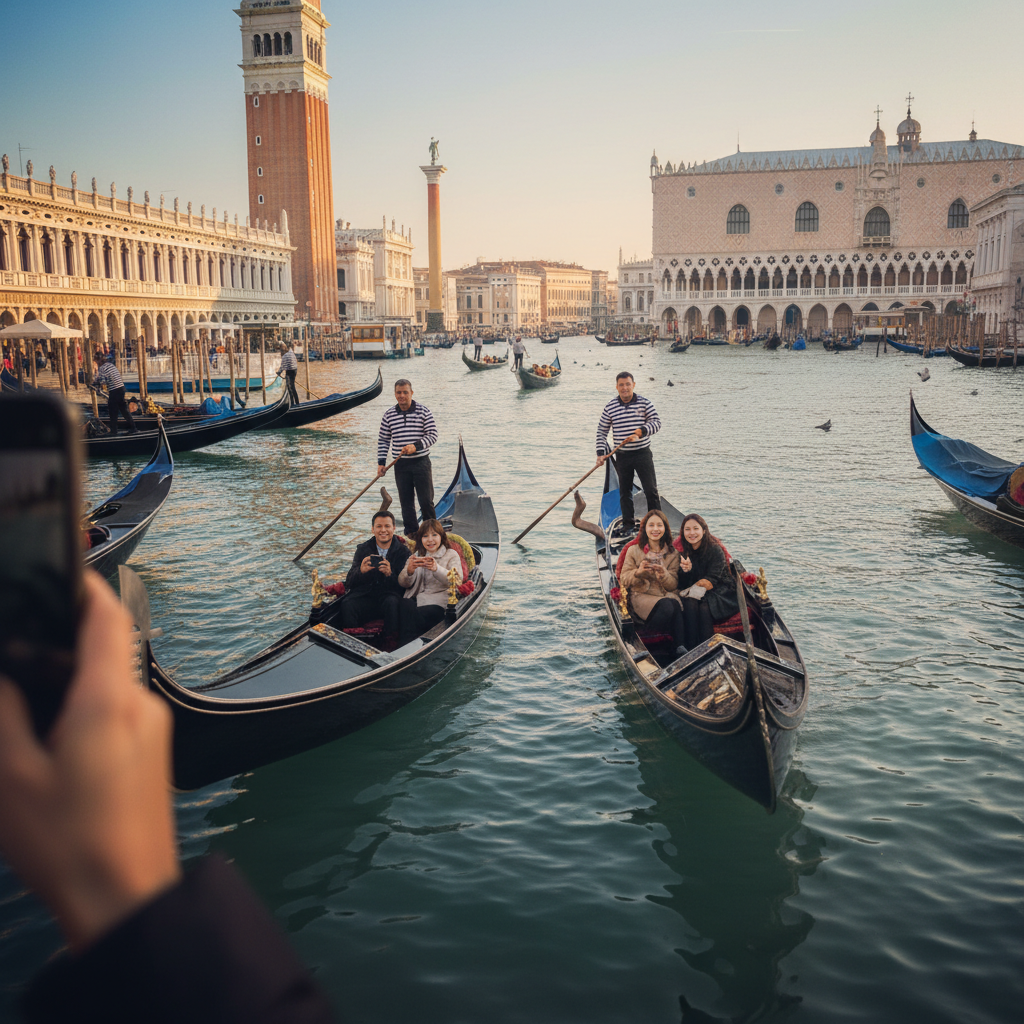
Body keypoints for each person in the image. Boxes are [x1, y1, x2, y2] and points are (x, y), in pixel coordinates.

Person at [0, 572, 334, 1022]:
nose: (386, 534)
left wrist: (114, 901)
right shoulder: (367, 556)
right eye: (380, 528)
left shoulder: (433, 561)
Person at [595, 371, 661, 536]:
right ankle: (628, 525)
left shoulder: (645, 403)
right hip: (623, 456)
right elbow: (601, 432)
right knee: (624, 492)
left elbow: (657, 423)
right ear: (617, 387)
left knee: (651, 490)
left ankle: (657, 524)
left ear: (633, 385)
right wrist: (600, 453)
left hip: (643, 454)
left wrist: (640, 431)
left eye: (628, 384)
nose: (625, 388)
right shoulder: (610, 406)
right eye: (621, 385)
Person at [618, 510, 687, 656]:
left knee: (676, 604)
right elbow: (624, 579)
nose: (655, 529)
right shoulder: (633, 550)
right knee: (670, 605)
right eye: (651, 525)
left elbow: (673, 584)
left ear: (665, 528)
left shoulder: (673, 554)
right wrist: (639, 573)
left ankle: (680, 647)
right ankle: (669, 643)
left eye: (659, 525)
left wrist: (664, 575)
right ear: (645, 529)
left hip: (664, 595)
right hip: (641, 596)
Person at [377, 379, 438, 538]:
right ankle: (412, 536)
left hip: (421, 463)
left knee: (426, 502)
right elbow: (384, 440)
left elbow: (433, 435)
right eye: (399, 392)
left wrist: (415, 446)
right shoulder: (389, 415)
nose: (402, 395)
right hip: (401, 465)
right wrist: (381, 463)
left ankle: (431, 534)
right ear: (395, 395)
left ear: (411, 393)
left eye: (405, 392)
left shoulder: (424, 411)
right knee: (406, 504)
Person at [340, 510, 411, 638]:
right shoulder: (363, 549)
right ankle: (352, 641)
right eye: (379, 526)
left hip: (389, 597)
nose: (383, 530)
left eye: (387, 526)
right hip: (367, 596)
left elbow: (406, 585)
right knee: (348, 604)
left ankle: (390, 642)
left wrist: (390, 574)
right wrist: (361, 571)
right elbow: (350, 581)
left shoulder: (403, 552)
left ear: (393, 528)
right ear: (373, 529)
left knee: (392, 603)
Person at [675, 513, 739, 649]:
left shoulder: (715, 549)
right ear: (683, 532)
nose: (692, 533)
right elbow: (682, 583)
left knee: (704, 608)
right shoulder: (684, 551)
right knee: (690, 604)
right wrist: (687, 571)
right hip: (699, 591)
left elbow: (711, 581)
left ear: (704, 530)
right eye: (687, 529)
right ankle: (691, 648)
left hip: (722, 591)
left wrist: (695, 580)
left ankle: (709, 649)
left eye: (695, 529)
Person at [397, 519, 463, 643]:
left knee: (412, 614)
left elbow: (457, 580)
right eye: (425, 536)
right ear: (421, 539)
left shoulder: (451, 555)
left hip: (438, 604)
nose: (430, 540)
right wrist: (409, 571)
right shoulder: (416, 556)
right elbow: (403, 583)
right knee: (403, 605)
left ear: (441, 537)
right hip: (415, 600)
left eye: (434, 535)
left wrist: (436, 569)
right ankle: (402, 644)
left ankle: (405, 645)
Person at [93, 353, 138, 435]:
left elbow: (103, 381)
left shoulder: (102, 368)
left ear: (98, 361)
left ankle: (114, 431)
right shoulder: (110, 365)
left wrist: (95, 384)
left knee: (113, 411)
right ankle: (133, 428)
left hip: (115, 390)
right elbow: (104, 378)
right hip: (121, 388)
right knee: (123, 410)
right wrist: (96, 382)